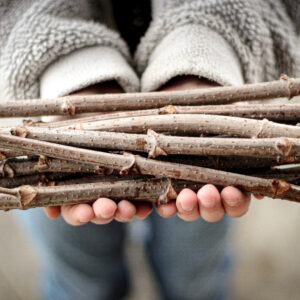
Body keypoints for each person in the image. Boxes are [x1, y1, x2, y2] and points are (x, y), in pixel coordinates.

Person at [0, 1, 299, 299]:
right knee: (83, 284)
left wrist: (202, 52)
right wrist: (68, 67)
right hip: (48, 136)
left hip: (214, 122)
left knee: (193, 279)